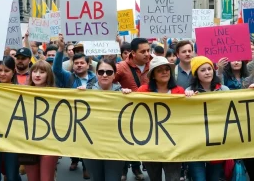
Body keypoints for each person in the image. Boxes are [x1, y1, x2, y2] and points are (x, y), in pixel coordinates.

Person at [78, 59, 131, 181]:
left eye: (108, 72)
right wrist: (79, 95)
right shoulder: (86, 91)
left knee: (113, 178)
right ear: (96, 73)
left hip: (116, 145)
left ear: (114, 74)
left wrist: (129, 96)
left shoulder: (123, 94)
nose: (105, 75)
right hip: (91, 144)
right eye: (101, 72)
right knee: (97, 178)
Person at [53, 35, 93, 179]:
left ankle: (86, 166)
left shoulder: (96, 78)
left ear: (88, 65)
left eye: (82, 62)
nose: (79, 65)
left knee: (87, 143)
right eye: (76, 63)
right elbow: (56, 69)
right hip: (72, 117)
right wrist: (60, 49)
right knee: (74, 142)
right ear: (72, 64)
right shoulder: (68, 77)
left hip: (90, 117)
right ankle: (74, 160)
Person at [138, 56, 184, 180]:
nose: (164, 72)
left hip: (173, 144)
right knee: (154, 178)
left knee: (173, 178)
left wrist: (191, 96)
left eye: (167, 69)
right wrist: (125, 94)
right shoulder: (143, 91)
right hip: (151, 144)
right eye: (159, 70)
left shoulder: (180, 91)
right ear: (153, 75)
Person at [185, 56, 229, 180]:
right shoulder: (189, 91)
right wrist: (186, 97)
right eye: (203, 70)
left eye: (209, 69)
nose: (207, 72)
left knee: (214, 178)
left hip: (217, 143)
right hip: (196, 144)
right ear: (196, 74)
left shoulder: (224, 90)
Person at [115, 38, 151, 181]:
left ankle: (137, 168)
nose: (147, 54)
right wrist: (119, 91)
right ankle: (124, 168)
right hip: (128, 113)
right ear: (133, 53)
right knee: (127, 141)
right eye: (143, 51)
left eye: (148, 50)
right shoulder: (121, 67)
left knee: (144, 141)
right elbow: (106, 81)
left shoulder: (154, 64)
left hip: (149, 113)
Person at [25, 60, 58, 181]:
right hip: (28, 142)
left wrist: (81, 91)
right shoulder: (21, 92)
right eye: (34, 71)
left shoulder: (57, 94)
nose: (37, 75)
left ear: (48, 75)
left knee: (46, 179)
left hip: (50, 142)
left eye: (42, 72)